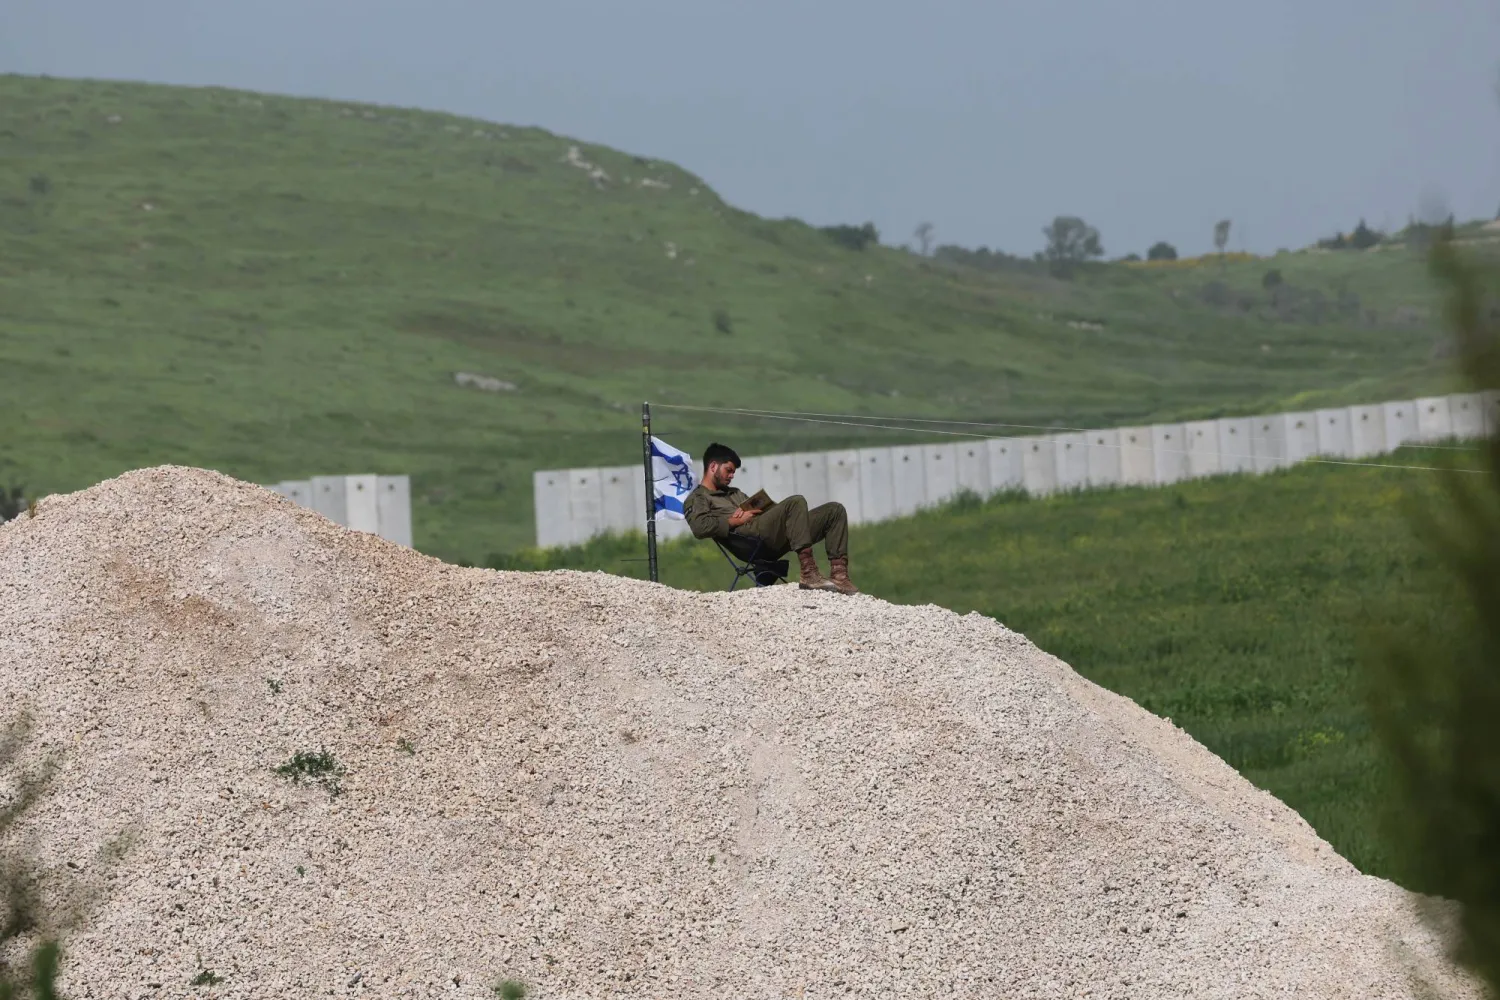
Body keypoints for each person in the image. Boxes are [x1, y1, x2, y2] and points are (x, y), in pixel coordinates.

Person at [682, 442, 858, 595]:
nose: (731, 476)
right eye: (728, 471)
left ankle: (839, 575)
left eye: (733, 472)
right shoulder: (698, 498)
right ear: (713, 467)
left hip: (769, 533)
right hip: (751, 542)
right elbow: (699, 527)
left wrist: (767, 508)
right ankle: (809, 572)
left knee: (834, 510)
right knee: (795, 502)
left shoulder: (735, 493)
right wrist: (735, 521)